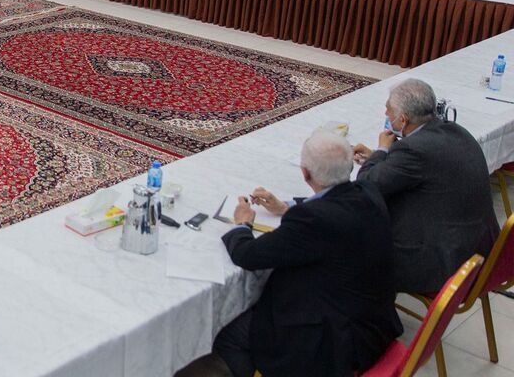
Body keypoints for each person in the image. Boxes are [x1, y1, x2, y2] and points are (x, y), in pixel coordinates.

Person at [213, 129, 401, 377]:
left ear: (305, 173)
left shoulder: (312, 219)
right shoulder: (367, 191)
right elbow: (333, 202)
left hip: (333, 344)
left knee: (227, 333)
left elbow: (249, 255)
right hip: (373, 326)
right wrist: (286, 206)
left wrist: (242, 225)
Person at [352, 78, 499, 294]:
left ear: (403, 120)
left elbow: (366, 184)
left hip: (445, 262)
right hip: (479, 249)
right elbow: (424, 167)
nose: (386, 114)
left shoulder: (414, 150)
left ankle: (371, 313)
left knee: (356, 236)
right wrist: (380, 157)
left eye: (388, 110)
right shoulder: (456, 131)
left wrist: (382, 150)